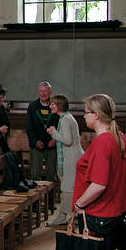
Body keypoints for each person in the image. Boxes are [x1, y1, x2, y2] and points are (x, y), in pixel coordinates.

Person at [73, 94, 126, 250]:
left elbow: (99, 184)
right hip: (112, 212)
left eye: (86, 112)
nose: (84, 116)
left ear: (96, 115)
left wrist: (79, 204)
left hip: (99, 214)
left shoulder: (102, 142)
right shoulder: (118, 136)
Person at [46, 94, 83, 226]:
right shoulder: (65, 118)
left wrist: (53, 133)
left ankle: (64, 216)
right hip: (71, 157)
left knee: (68, 188)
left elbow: (67, 141)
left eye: (52, 104)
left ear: (59, 105)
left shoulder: (66, 119)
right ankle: (72, 215)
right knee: (70, 187)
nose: (50, 106)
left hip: (72, 158)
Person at [25, 81, 59, 181]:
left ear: (50, 92)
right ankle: (37, 196)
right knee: (35, 174)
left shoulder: (55, 106)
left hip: (51, 144)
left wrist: (55, 139)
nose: (43, 94)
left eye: (46, 91)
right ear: (38, 92)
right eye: (41, 91)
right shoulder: (32, 106)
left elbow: (60, 125)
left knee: (52, 175)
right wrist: (35, 141)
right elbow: (28, 126)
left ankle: (51, 196)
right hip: (36, 144)